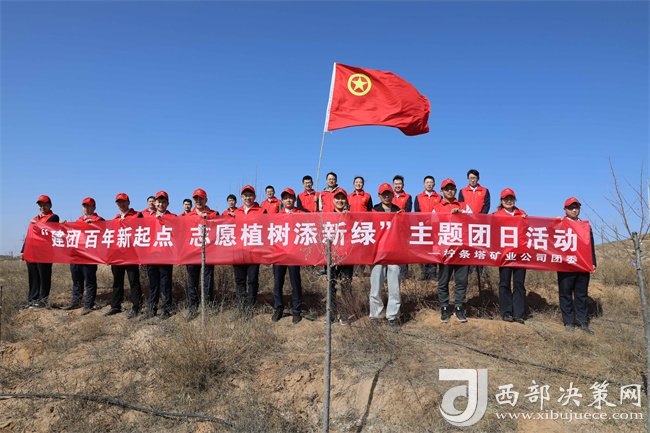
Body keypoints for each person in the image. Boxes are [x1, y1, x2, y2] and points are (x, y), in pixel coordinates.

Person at [434, 179, 472, 323]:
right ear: (442, 191)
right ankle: (444, 308)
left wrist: (462, 214)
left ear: (455, 190)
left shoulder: (464, 206)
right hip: (445, 250)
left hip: (462, 250)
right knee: (443, 281)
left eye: (452, 188)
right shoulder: (437, 207)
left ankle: (459, 307)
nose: (449, 191)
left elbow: (475, 221)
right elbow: (432, 225)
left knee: (461, 281)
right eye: (446, 189)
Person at [558, 197, 597, 334]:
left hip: (582, 264)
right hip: (566, 265)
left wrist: (593, 262)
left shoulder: (585, 226)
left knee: (581, 294)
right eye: (571, 208)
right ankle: (569, 322)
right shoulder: (560, 223)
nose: (574, 210)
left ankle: (582, 322)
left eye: (576, 207)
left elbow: (590, 245)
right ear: (565, 209)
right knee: (565, 293)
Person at [62, 197, 104, 315]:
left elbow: (104, 233)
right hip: (76, 255)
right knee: (76, 279)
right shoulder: (78, 220)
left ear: (94, 207)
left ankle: (88, 304)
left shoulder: (99, 220)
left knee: (89, 281)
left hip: (89, 256)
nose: (86, 208)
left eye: (89, 206)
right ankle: (76, 301)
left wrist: (94, 225)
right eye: (84, 206)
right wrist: (64, 227)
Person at [181, 188, 218, 321]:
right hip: (191, 253)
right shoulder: (187, 217)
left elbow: (221, 225)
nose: (198, 201)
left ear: (206, 200)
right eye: (196, 199)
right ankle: (193, 307)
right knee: (192, 281)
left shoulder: (213, 214)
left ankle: (207, 306)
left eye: (201, 198)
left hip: (208, 253)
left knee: (208, 281)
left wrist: (208, 218)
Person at [369, 183, 402, 330]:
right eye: (384, 194)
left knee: (394, 286)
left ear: (393, 195)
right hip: (378, 253)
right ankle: (375, 315)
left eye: (388, 193)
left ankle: (392, 316)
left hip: (394, 253)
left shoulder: (398, 211)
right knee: (376, 286)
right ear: (379, 196)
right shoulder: (374, 210)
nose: (386, 196)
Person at [105, 193, 144, 318]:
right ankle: (115, 306)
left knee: (134, 282)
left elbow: (142, 229)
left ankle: (137, 307)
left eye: (123, 202)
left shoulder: (137, 215)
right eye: (119, 202)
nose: (121, 204)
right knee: (117, 281)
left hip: (131, 255)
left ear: (128, 202)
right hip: (117, 255)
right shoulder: (115, 219)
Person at [493, 188, 527, 324]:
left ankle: (518, 314)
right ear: (501, 201)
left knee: (519, 284)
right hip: (504, 255)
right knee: (504, 283)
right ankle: (506, 312)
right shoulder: (496, 215)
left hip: (520, 255)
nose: (508, 201)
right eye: (506, 199)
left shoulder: (522, 214)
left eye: (511, 198)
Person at [231, 185, 266, 314]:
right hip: (238, 251)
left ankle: (250, 306)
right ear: (241, 198)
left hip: (254, 252)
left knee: (252, 280)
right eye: (245, 196)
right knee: (239, 280)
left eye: (250, 195)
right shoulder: (235, 212)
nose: (248, 198)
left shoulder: (261, 211)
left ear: (255, 197)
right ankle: (241, 306)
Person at [271, 188, 304, 324]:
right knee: (278, 282)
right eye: (285, 198)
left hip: (294, 254)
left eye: (290, 197)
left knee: (295, 283)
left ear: (294, 199)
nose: (288, 200)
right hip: (279, 254)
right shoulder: (277, 216)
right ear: (282, 201)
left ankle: (296, 310)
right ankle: (278, 308)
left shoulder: (301, 214)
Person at [21, 195, 59, 308]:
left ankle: (42, 301)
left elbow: (47, 228)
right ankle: (32, 299)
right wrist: (23, 250)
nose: (42, 207)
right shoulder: (35, 219)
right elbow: (29, 235)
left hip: (44, 253)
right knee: (33, 276)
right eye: (40, 205)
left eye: (45, 204)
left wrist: (36, 224)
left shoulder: (53, 217)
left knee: (44, 277)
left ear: (50, 205)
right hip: (31, 252)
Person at [143, 191, 176, 320]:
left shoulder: (173, 217)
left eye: (163, 202)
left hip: (166, 256)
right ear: (155, 203)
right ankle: (152, 309)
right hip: (151, 255)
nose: (161, 204)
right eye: (159, 202)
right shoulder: (148, 218)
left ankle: (166, 309)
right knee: (153, 284)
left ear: (167, 203)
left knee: (165, 284)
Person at [328, 188, 355, 324]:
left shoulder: (351, 217)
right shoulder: (327, 217)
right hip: (331, 257)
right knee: (331, 285)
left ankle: (345, 314)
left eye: (342, 198)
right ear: (333, 200)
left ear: (346, 200)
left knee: (346, 285)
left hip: (347, 257)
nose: (340, 201)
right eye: (337, 198)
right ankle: (331, 313)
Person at [414, 175, 441, 280]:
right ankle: (424, 273)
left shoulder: (439, 197)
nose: (429, 184)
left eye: (431, 182)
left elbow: (440, 211)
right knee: (423, 250)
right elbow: (417, 211)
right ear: (424, 184)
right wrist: (422, 222)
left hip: (435, 227)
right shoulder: (418, 197)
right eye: (427, 182)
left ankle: (432, 274)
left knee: (434, 250)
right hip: (423, 227)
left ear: (434, 184)